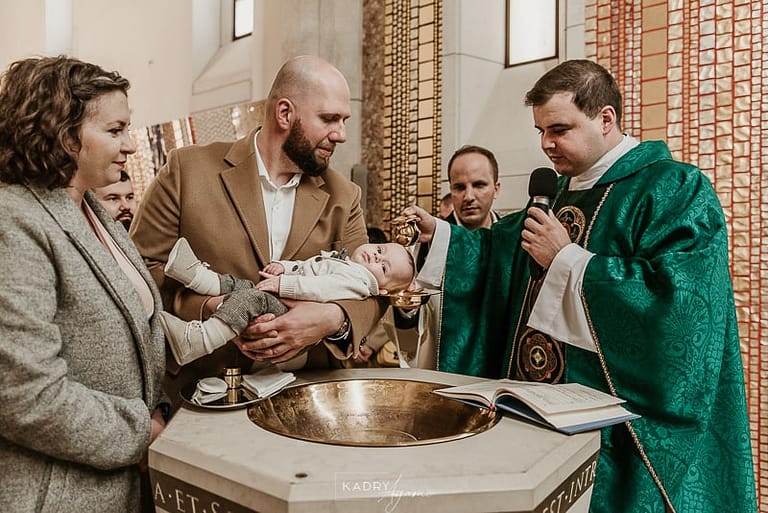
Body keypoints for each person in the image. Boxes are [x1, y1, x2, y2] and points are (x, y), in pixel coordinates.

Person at [405, 59, 756, 512]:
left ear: (605, 119)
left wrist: (568, 260)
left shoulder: (673, 188)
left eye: (559, 129)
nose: (546, 144)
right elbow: (496, 255)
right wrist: (444, 239)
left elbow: (684, 311)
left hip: (625, 435)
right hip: (538, 418)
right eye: (541, 131)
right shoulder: (561, 193)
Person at [130, 55, 386, 409]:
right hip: (203, 392)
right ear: (285, 114)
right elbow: (140, 274)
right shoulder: (187, 171)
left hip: (308, 398)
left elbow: (372, 289)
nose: (341, 134)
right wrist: (216, 307)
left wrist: (330, 319)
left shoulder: (344, 195)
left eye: (343, 121)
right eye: (329, 119)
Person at [0, 56, 168, 512]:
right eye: (115, 131)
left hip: (118, 486)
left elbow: (134, 325)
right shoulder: (15, 220)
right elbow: (23, 396)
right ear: (63, 132)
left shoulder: (93, 210)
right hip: (59, 491)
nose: (131, 145)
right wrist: (143, 433)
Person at [157, 237, 414, 365]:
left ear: (381, 288)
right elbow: (309, 267)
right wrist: (285, 267)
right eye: (380, 250)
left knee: (249, 297)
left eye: (383, 268)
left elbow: (320, 287)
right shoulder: (346, 263)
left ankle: (202, 339)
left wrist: (285, 283)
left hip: (287, 308)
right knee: (243, 288)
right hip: (282, 296)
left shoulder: (357, 279)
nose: (375, 258)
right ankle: (198, 277)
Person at [393, 145, 502, 369]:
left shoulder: (510, 240)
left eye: (479, 185)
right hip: (442, 365)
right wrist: (407, 306)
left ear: (496, 188)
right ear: (451, 191)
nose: (469, 196)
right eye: (459, 187)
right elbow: (407, 324)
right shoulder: (427, 242)